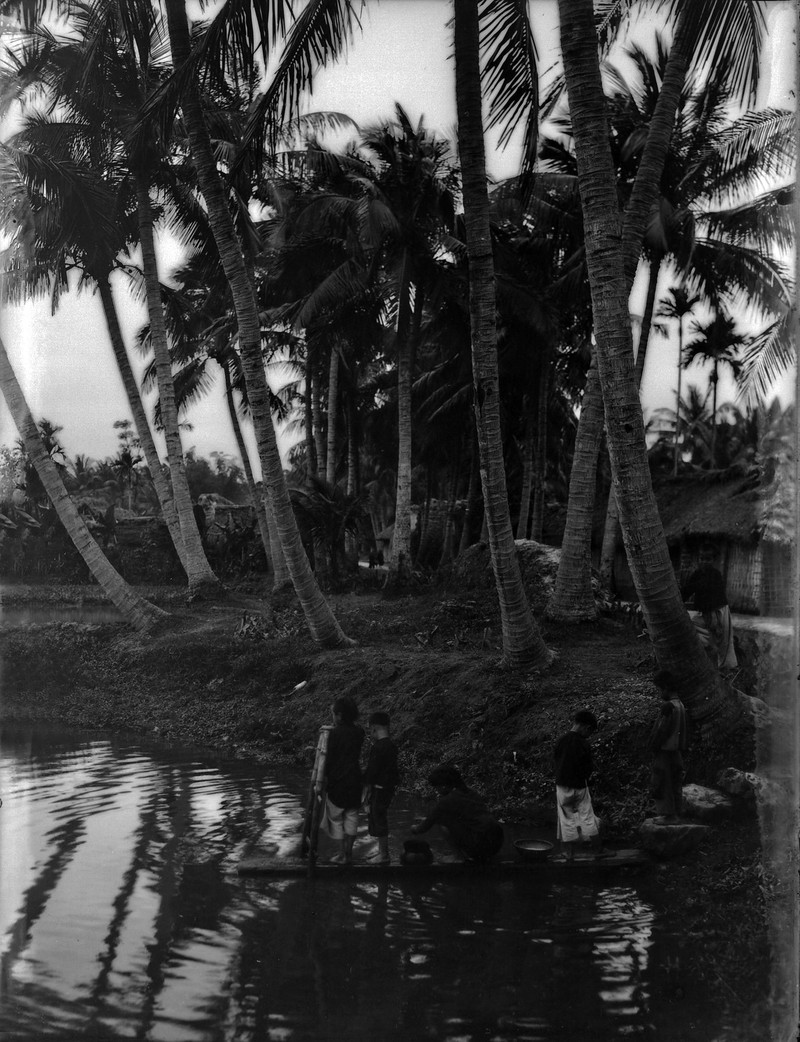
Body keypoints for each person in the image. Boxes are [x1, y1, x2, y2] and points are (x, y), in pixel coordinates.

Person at [410, 765, 504, 862]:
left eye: (436, 787)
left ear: (443, 785)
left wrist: (414, 828)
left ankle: (458, 857)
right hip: (496, 845)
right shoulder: (472, 793)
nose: (436, 791)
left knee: (441, 820)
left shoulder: (447, 800)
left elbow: (424, 827)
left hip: (478, 847)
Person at [553, 710, 605, 860]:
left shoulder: (561, 741)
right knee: (587, 817)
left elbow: (556, 761)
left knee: (566, 818)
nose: (589, 735)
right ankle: (598, 850)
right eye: (590, 731)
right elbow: (587, 767)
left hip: (563, 785)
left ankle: (568, 853)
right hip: (580, 785)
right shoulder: (583, 743)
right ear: (585, 727)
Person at [682, 543, 737, 670]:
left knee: (723, 641)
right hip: (705, 612)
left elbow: (714, 598)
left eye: (708, 559)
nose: (704, 562)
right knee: (695, 630)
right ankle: (706, 662)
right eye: (702, 559)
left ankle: (726, 669)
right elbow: (687, 590)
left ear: (713, 560)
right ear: (698, 559)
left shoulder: (715, 575)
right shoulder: (697, 574)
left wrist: (713, 618)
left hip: (718, 611)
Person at [324, 696, 365, 864]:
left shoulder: (333, 734)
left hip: (338, 779)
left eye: (333, 714)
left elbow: (330, 758)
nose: (333, 718)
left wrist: (324, 777)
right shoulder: (359, 732)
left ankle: (342, 853)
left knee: (336, 818)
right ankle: (349, 853)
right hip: (355, 778)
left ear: (339, 715)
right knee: (352, 815)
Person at [648, 670, 688, 824]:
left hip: (665, 752)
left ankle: (668, 815)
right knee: (675, 783)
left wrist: (653, 747)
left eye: (660, 689)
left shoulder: (668, 706)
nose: (660, 693)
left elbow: (661, 730)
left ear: (666, 687)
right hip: (676, 752)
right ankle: (677, 813)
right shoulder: (681, 705)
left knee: (662, 782)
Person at [362, 711, 400, 864]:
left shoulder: (378, 747)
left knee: (378, 818)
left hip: (379, 788)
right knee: (379, 816)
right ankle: (381, 852)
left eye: (370, 730)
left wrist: (364, 783)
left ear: (373, 728)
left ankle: (384, 855)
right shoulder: (391, 745)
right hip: (388, 787)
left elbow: (372, 770)